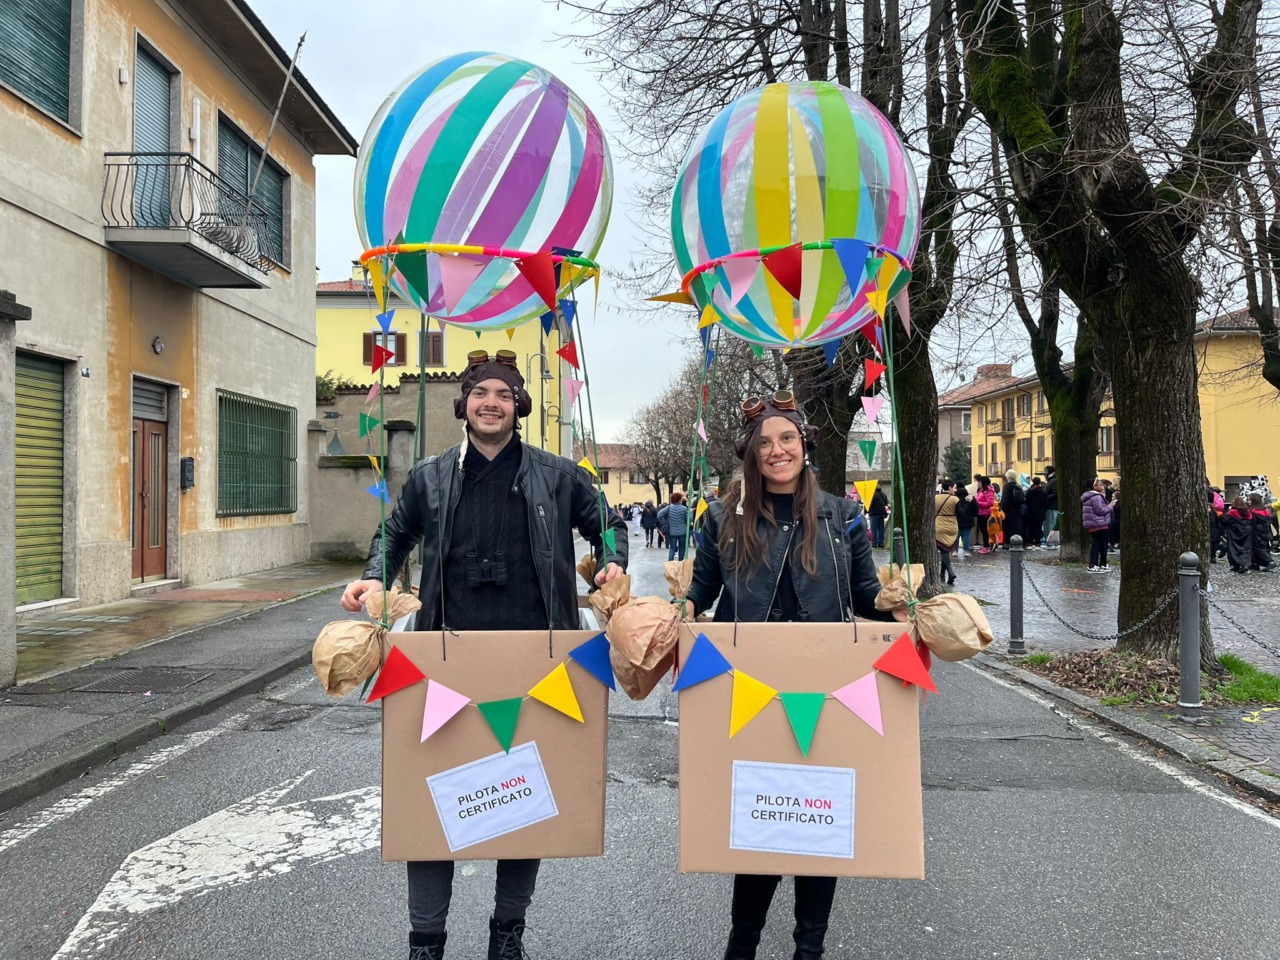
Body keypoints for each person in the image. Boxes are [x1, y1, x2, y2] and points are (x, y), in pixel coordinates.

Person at [339, 349, 628, 960]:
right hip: (444, 660)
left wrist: (611, 562)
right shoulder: (430, 476)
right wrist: (373, 577)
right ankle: (426, 940)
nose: (490, 403)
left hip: (539, 660)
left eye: (502, 394)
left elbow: (606, 524)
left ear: (518, 406)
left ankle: (507, 932)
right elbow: (394, 533)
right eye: (480, 393)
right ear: (464, 404)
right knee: (432, 799)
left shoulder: (558, 474)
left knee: (524, 801)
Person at [683, 391, 898, 960]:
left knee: (818, 824)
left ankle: (810, 949)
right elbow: (701, 591)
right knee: (761, 822)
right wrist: (678, 607)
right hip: (747, 691)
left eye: (787, 439)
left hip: (825, 691)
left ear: (805, 445)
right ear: (750, 453)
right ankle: (742, 945)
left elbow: (865, 595)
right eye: (765, 443)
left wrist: (898, 605)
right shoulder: (723, 517)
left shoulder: (842, 515)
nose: (778, 451)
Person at [1081, 478, 1114, 572]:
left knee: (1097, 543)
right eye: (1100, 485)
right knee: (1100, 544)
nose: (1102, 486)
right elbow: (1100, 510)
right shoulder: (1096, 497)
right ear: (1094, 487)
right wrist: (1111, 505)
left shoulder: (1090, 496)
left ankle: (1096, 564)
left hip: (1094, 523)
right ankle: (1096, 564)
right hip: (1099, 523)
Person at [934, 480, 960, 585]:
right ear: (949, 487)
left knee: (943, 551)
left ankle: (949, 571)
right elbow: (960, 512)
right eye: (954, 487)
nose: (955, 490)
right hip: (952, 525)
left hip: (939, 524)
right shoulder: (955, 499)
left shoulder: (935, 498)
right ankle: (942, 574)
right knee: (946, 551)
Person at [1223, 495, 1254, 573]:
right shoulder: (1247, 513)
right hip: (1246, 533)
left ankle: (1236, 565)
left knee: (1233, 549)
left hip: (1233, 534)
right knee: (1245, 549)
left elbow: (1225, 520)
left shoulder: (1231, 512)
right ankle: (1245, 564)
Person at [658, 491, 690, 561]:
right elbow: (689, 519)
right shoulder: (684, 508)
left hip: (672, 531)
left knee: (672, 547)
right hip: (682, 531)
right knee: (682, 547)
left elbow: (660, 515)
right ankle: (681, 561)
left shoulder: (669, 508)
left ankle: (670, 562)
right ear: (679, 500)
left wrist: (664, 523)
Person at [1248, 493, 1275, 571]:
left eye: (1249, 499)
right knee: (1263, 547)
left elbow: (1252, 522)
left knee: (1258, 548)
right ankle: (1255, 563)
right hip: (1265, 531)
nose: (1248, 501)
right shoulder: (1264, 510)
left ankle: (1270, 562)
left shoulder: (1253, 511)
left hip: (1256, 532)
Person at [1001, 469, 1025, 547]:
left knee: (1007, 527)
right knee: (1017, 527)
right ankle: (1017, 542)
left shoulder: (1007, 486)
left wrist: (1002, 509)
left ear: (1008, 477)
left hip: (1008, 510)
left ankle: (1007, 543)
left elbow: (1004, 499)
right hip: (1018, 509)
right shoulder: (1019, 486)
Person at [954, 482, 977, 558]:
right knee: (966, 535)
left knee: (956, 535)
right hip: (968, 519)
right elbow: (976, 509)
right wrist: (973, 515)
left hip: (956, 519)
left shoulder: (954, 498)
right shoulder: (971, 498)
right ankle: (966, 551)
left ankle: (955, 551)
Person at [1024, 477, 1048, 549]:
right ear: (1039, 482)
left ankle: (1030, 541)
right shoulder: (1043, 492)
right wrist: (1044, 510)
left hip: (1030, 512)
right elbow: (1046, 503)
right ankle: (1037, 541)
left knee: (1030, 527)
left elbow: (1026, 502)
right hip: (1040, 513)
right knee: (1038, 527)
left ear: (1033, 482)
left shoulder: (1029, 491)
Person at [974, 476, 996, 553]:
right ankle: (986, 545)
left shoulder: (988, 491)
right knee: (983, 531)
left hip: (985, 514)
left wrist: (977, 503)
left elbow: (990, 503)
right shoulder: (982, 490)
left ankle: (986, 546)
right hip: (981, 513)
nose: (978, 484)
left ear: (983, 483)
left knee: (985, 531)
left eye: (979, 483)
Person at [868, 484, 890, 549]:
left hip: (874, 513)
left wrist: (866, 510)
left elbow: (869, 504)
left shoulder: (872, 494)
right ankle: (881, 543)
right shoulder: (883, 493)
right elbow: (886, 502)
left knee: (873, 529)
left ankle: (874, 544)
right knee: (881, 528)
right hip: (882, 512)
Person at [1208, 486, 1225, 563]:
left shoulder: (1210, 508)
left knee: (1212, 543)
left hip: (1213, 529)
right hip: (1216, 528)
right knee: (1213, 543)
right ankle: (1213, 556)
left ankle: (1213, 556)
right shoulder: (1216, 506)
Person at [1043, 465, 1059, 546]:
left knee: (1051, 525)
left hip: (1052, 507)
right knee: (1050, 525)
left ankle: (1051, 542)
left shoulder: (1053, 481)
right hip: (1051, 507)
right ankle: (1050, 542)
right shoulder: (1052, 481)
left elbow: (1056, 493)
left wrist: (1045, 498)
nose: (1044, 474)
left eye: (1045, 472)